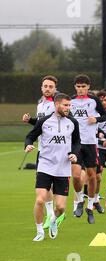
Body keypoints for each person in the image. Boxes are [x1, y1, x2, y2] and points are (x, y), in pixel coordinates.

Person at [24, 93, 80, 241]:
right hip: (45, 165)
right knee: (40, 200)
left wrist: (74, 154)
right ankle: (40, 231)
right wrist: (28, 144)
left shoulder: (73, 123)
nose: (68, 108)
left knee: (61, 207)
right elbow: (30, 136)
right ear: (56, 105)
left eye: (69, 105)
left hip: (63, 168)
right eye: (65, 105)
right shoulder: (44, 121)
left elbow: (76, 142)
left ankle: (54, 220)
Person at [21, 75, 66, 229]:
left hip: (59, 152)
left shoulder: (58, 104)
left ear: (55, 88)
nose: (47, 89)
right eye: (45, 86)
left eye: (50, 86)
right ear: (41, 87)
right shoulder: (40, 104)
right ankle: (50, 215)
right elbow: (41, 124)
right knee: (45, 187)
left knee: (54, 188)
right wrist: (30, 121)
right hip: (44, 151)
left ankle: (57, 213)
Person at [71, 74, 106, 224]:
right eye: (78, 86)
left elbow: (105, 115)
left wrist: (96, 119)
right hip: (75, 143)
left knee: (92, 175)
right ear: (75, 87)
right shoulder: (71, 100)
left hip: (90, 143)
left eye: (83, 86)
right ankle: (80, 200)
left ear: (88, 87)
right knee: (75, 175)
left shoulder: (93, 100)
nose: (81, 89)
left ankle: (90, 205)